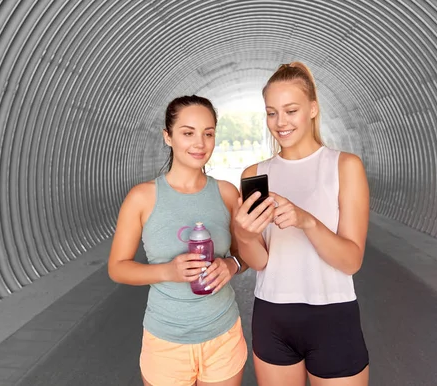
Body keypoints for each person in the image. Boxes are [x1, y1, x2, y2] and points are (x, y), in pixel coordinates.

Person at [233, 62, 370, 386]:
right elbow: (261, 261)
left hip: (333, 315)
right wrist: (244, 234)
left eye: (290, 110)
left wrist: (307, 221)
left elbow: (351, 261)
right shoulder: (253, 174)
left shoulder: (344, 166)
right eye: (271, 112)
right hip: (273, 316)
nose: (280, 122)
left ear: (312, 108)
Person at [107, 95, 249, 386]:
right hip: (166, 340)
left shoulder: (226, 193)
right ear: (168, 137)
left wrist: (231, 266)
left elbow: (244, 255)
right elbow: (118, 268)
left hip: (223, 334)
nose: (200, 143)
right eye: (188, 133)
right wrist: (167, 272)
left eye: (208, 133)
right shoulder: (142, 198)